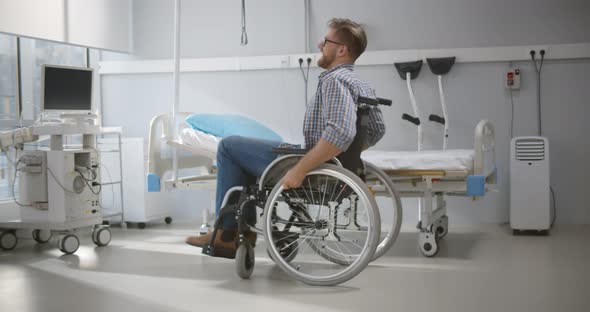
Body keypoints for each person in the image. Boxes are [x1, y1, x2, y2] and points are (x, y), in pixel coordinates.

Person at [186, 18, 385, 252]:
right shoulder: (360, 84)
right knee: (245, 151)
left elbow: (339, 133)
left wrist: (300, 169)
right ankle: (235, 230)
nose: (320, 44)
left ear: (341, 50)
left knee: (229, 147)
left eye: (327, 40)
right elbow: (376, 130)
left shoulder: (335, 80)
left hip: (309, 165)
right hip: (324, 161)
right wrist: (346, 157)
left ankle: (228, 233)